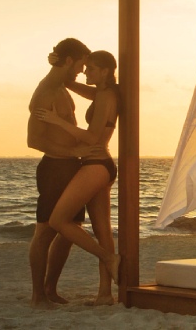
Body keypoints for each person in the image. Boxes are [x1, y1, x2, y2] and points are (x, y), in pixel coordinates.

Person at [36, 50, 121, 305]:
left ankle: (109, 259)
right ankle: (105, 294)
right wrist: (60, 69)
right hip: (101, 165)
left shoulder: (106, 96)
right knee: (102, 230)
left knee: (58, 219)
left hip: (96, 164)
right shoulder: (105, 93)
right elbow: (76, 87)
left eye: (91, 69)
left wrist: (56, 121)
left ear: (105, 71)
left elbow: (93, 137)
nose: (85, 72)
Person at [26, 37, 105, 308]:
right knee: (45, 232)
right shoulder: (45, 91)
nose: (81, 71)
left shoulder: (62, 87)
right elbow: (34, 139)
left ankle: (50, 289)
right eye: (80, 64)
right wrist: (71, 153)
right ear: (69, 60)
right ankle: (38, 295)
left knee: (70, 230)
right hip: (55, 168)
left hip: (71, 167)